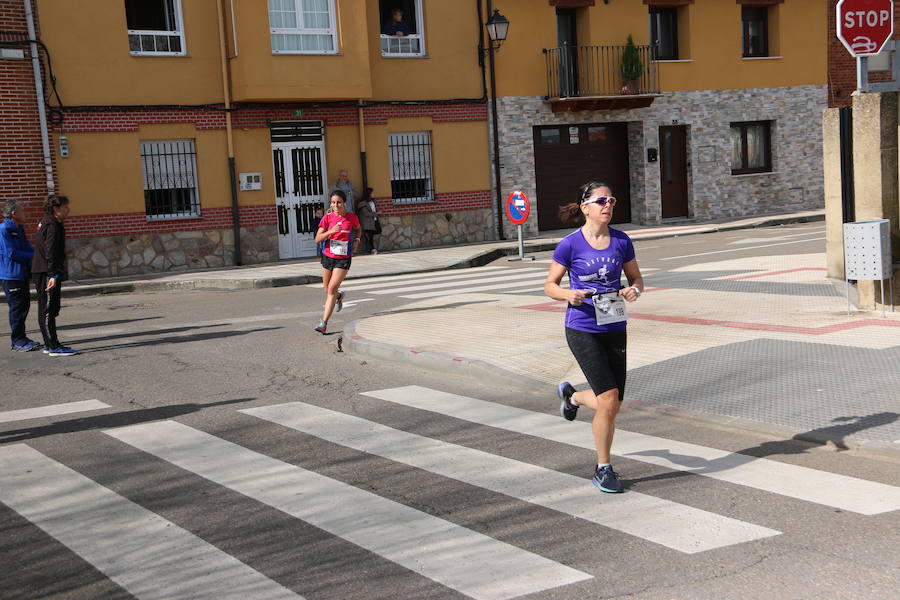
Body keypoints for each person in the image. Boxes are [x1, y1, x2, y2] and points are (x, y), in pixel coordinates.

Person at [543, 182, 644, 493]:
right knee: (608, 400)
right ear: (585, 207)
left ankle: (572, 397)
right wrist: (566, 294)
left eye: (612, 200)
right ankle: (603, 468)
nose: (608, 205)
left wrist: (634, 290)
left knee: (613, 404)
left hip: (614, 326)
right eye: (602, 201)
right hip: (582, 327)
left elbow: (637, 278)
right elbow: (550, 284)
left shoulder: (622, 241)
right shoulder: (570, 245)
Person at [32, 194, 78, 357]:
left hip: (45, 271)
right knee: (48, 309)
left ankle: (50, 344)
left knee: (49, 308)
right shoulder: (52, 224)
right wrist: (52, 274)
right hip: (46, 272)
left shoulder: (48, 221)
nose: (68, 210)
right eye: (65, 207)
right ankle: (53, 346)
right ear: (56, 209)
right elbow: (50, 250)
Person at [313, 190, 360, 334]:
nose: (336, 205)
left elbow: (358, 229)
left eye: (338, 202)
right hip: (328, 256)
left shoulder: (351, 217)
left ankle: (323, 323)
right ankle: (339, 296)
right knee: (327, 289)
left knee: (332, 289)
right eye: (333, 202)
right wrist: (330, 231)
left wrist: (357, 240)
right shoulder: (327, 218)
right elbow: (317, 238)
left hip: (343, 259)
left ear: (344, 203)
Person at [0, 200, 40, 352]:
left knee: (24, 306)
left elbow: (26, 247)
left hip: (22, 274)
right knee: (17, 308)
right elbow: (11, 253)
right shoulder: (4, 230)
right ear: (13, 214)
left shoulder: (19, 229)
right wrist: (33, 255)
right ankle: (17, 341)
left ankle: (22, 337)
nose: (25, 214)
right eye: (22, 211)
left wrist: (37, 253)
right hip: (11, 275)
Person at [355, 187, 380, 255]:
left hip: (373, 221)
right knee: (369, 237)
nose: (373, 194)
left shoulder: (373, 201)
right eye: (372, 193)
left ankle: (370, 249)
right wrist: (376, 214)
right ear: (368, 194)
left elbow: (375, 209)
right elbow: (366, 213)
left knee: (371, 236)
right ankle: (372, 249)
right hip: (367, 223)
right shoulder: (363, 204)